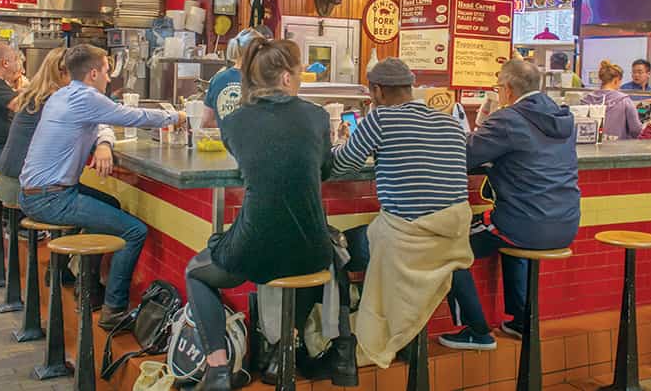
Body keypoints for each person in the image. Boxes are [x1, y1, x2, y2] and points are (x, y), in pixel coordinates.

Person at [185, 38, 332, 391]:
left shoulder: (234, 124)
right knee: (311, 269)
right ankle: (283, 350)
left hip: (254, 246)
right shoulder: (318, 116)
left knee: (196, 272)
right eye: (297, 74)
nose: (298, 80)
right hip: (313, 250)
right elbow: (324, 170)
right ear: (284, 77)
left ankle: (218, 367)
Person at [20, 44, 183, 329]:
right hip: (51, 198)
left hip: (39, 192)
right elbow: (132, 116)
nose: (109, 78)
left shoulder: (62, 95)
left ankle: (86, 282)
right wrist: (177, 117)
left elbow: (102, 124)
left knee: (112, 205)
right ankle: (114, 309)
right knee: (134, 230)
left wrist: (105, 143)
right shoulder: (85, 98)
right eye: (107, 71)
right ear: (93, 73)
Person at [330, 58, 473, 368]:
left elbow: (341, 165)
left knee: (337, 249)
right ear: (410, 88)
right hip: (450, 245)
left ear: (378, 92)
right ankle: (404, 339)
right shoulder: (449, 122)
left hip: (408, 245)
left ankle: (346, 349)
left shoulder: (380, 119)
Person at [440, 60, 580, 350]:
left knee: (446, 247)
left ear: (506, 89)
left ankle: (476, 330)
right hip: (566, 224)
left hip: (524, 223)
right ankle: (520, 319)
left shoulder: (508, 120)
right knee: (509, 232)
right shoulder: (562, 117)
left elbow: (463, 157)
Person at [202, 28, 265, 128]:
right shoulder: (262, 80)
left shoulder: (218, 79)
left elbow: (206, 122)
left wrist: (228, 125)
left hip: (223, 142)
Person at [581, 61, 642, 139]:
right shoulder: (625, 101)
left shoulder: (586, 100)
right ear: (616, 80)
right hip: (616, 148)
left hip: (590, 147)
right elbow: (636, 129)